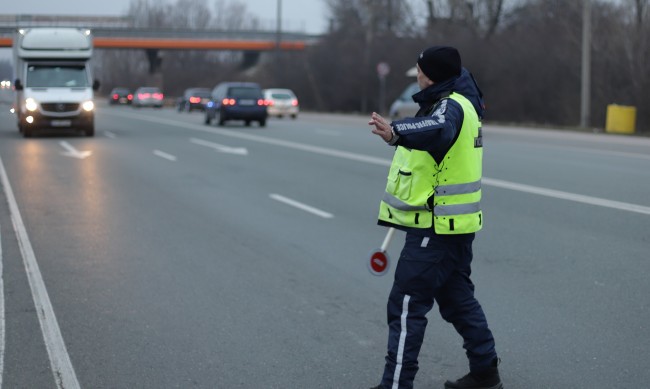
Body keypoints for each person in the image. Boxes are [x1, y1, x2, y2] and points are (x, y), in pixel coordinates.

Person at [367, 46, 502, 389]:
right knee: (457, 300)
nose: (418, 73)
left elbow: (436, 127)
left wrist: (396, 131)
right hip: (451, 225)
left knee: (406, 305)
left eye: (421, 69)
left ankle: (395, 385)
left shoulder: (451, 106)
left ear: (433, 74)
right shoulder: (456, 100)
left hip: (436, 226)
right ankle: (485, 373)